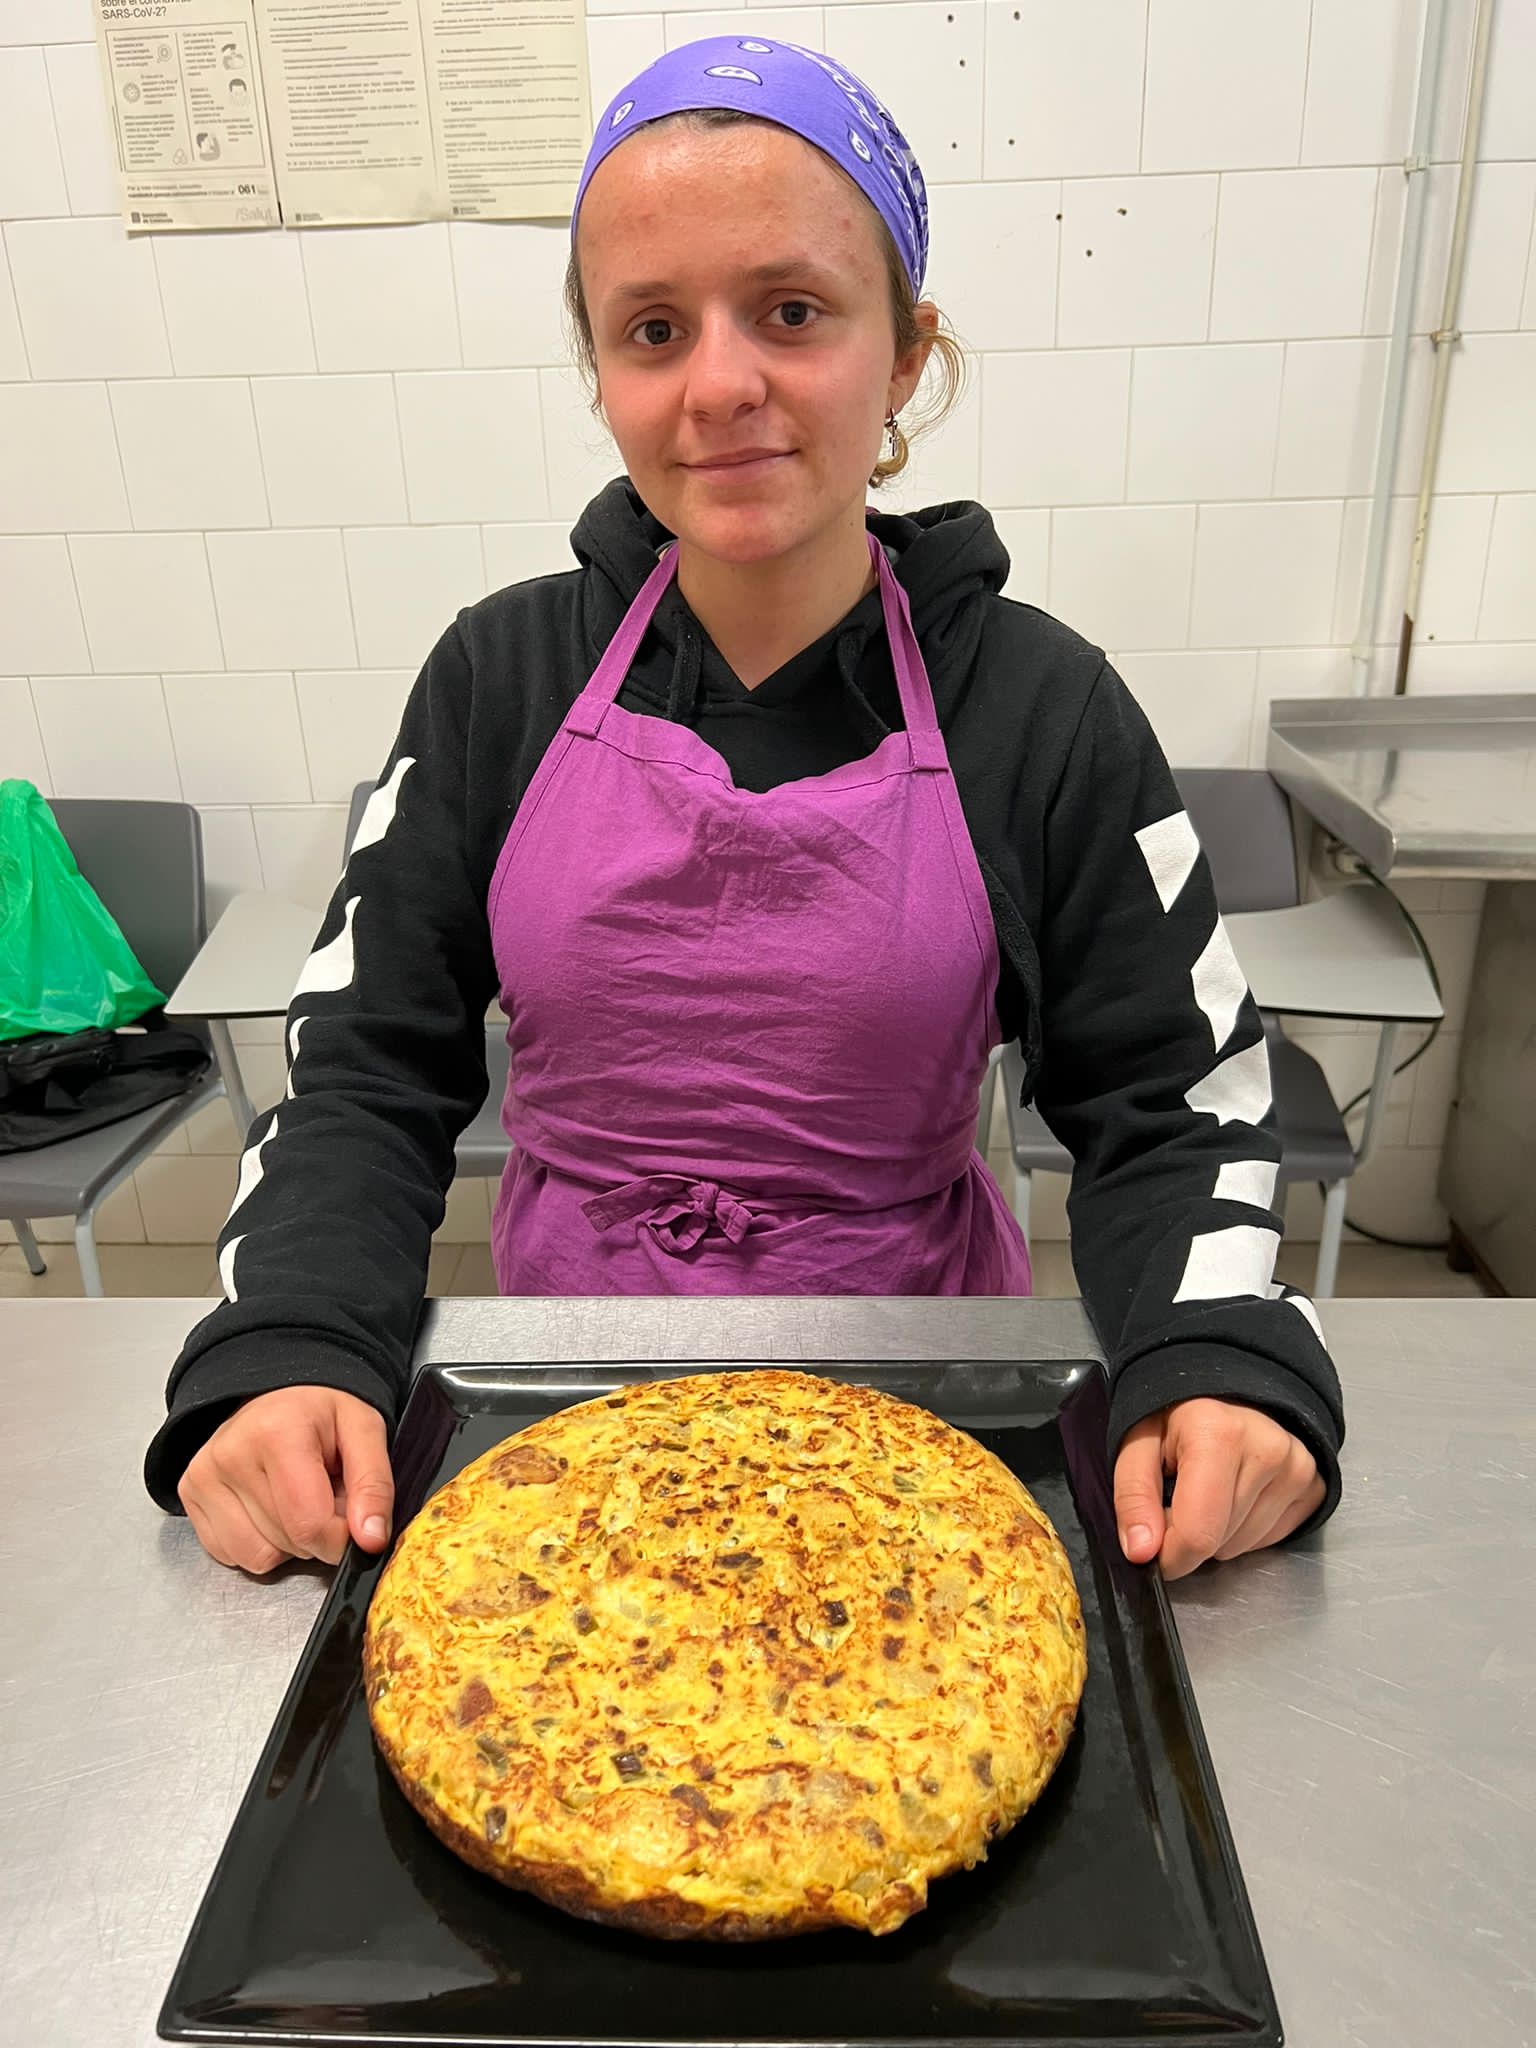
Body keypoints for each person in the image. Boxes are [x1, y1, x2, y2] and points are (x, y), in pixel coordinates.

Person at [145, 38, 1342, 1583]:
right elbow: (364, 1070)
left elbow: (1174, 1100)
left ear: (903, 354)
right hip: (567, 1395)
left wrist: (1217, 1355)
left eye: (791, 311)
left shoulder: (1039, 707)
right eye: (654, 330)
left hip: (924, 1406)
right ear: (602, 373)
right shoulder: (502, 678)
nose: (720, 385)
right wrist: (291, 1337)